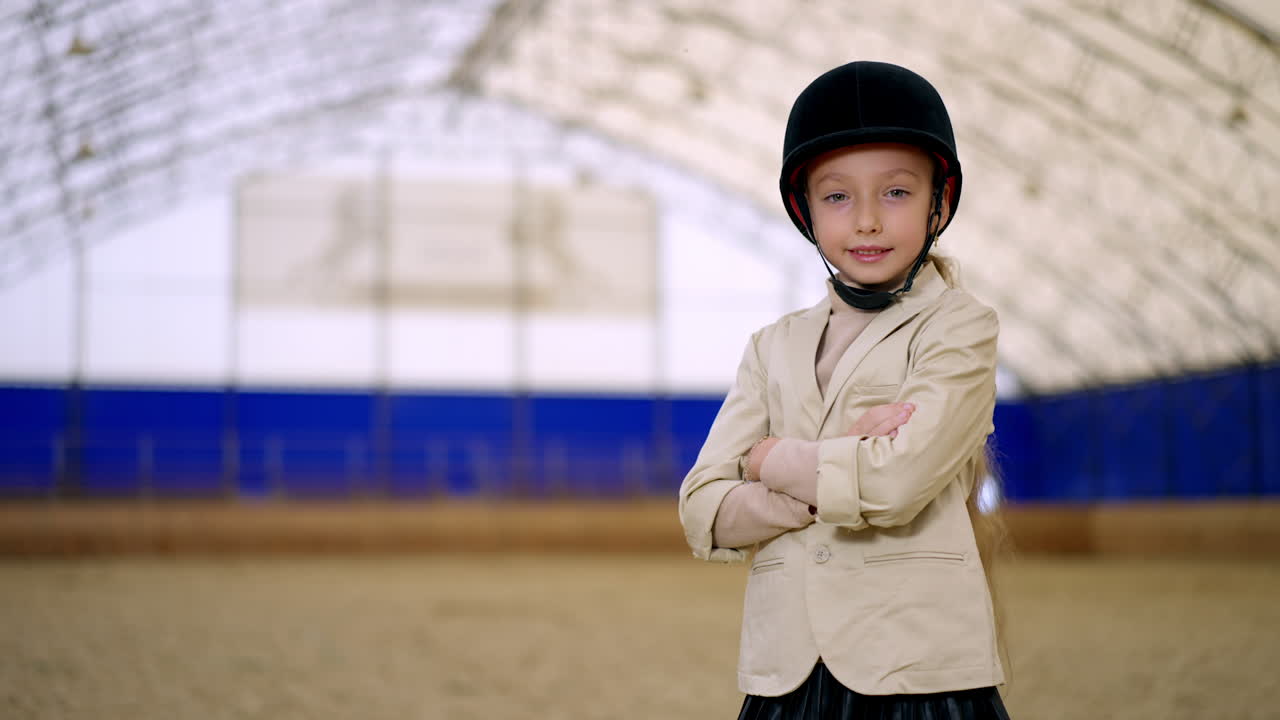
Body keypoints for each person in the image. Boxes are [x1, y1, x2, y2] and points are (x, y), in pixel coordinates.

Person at [678, 61, 1011, 719]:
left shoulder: (961, 327)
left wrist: (770, 461)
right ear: (805, 209)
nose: (865, 221)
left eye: (895, 193)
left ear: (938, 200)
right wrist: (837, 457)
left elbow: (895, 485)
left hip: (918, 675)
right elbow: (701, 509)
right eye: (837, 196)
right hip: (785, 680)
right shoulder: (770, 346)